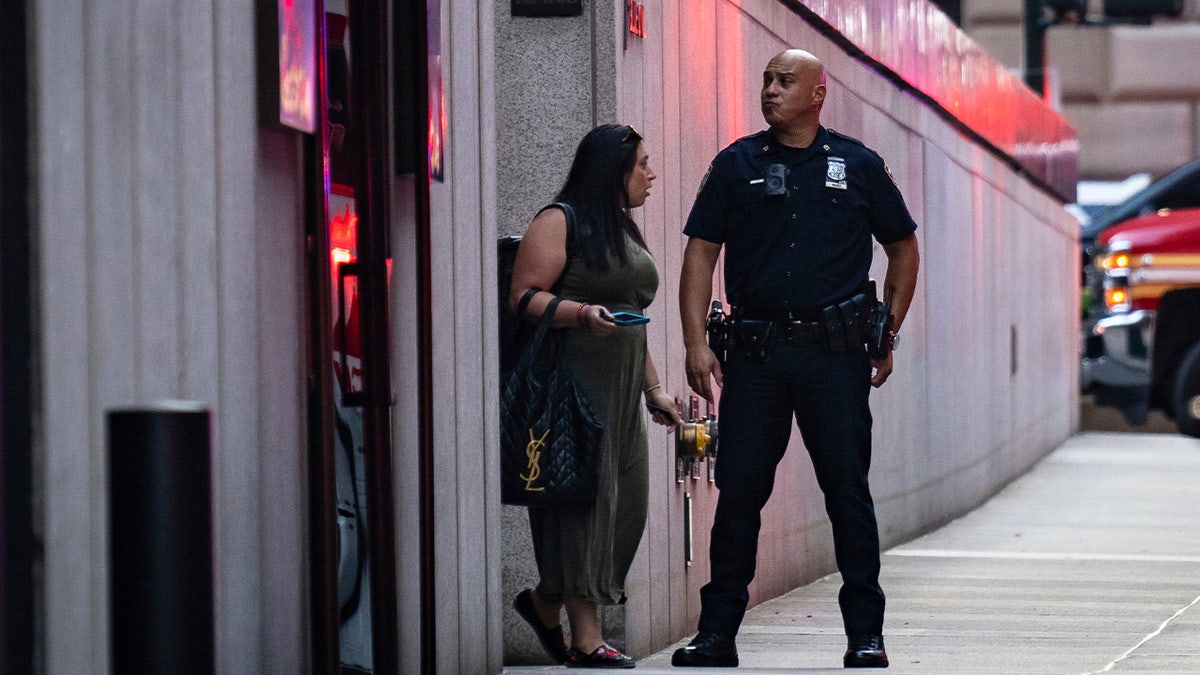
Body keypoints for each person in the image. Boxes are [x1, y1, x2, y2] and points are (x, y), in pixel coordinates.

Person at [671, 49, 920, 669]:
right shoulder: (736, 164)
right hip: (756, 357)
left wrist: (886, 332)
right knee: (739, 494)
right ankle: (717, 634)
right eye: (766, 80)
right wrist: (695, 341)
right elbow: (700, 253)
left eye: (785, 81)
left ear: (817, 93)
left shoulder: (857, 165)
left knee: (847, 493)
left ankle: (865, 635)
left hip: (834, 358)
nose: (771, 90)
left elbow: (903, 247)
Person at [508, 124, 683, 668]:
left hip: (623, 397)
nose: (652, 175)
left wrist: (655, 390)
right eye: (642, 165)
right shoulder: (559, 221)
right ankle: (587, 640)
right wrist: (581, 313)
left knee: (625, 508)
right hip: (573, 397)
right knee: (584, 511)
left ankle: (545, 602)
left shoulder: (621, 228)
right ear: (614, 170)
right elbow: (523, 297)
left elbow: (633, 318)